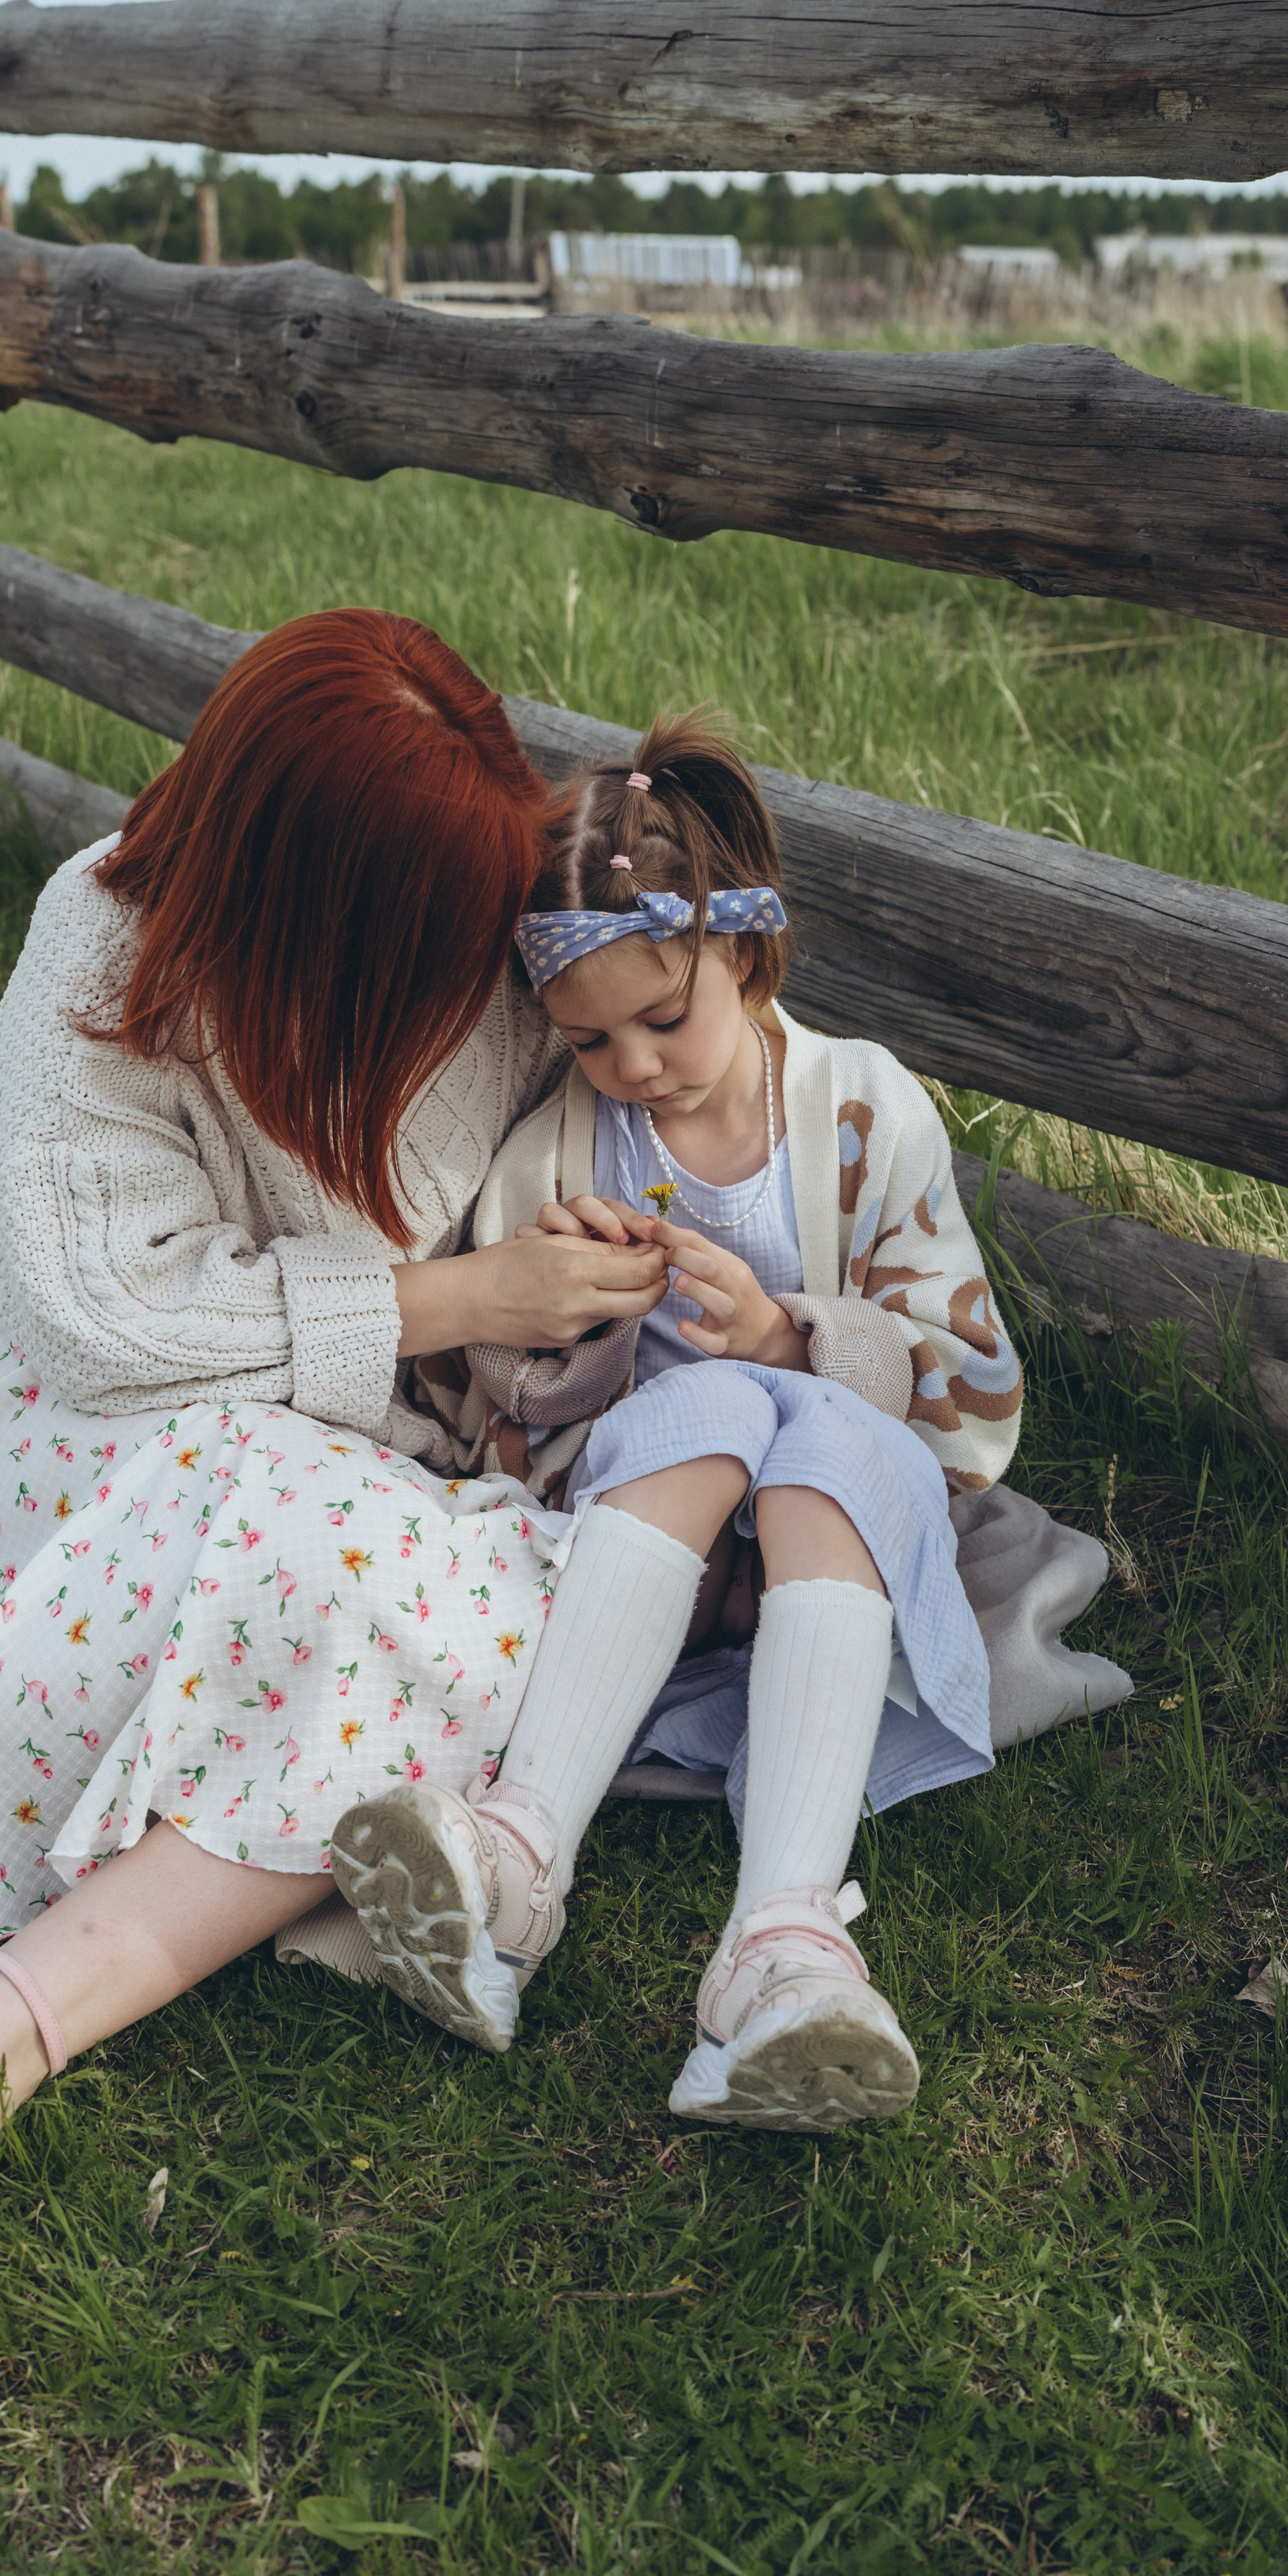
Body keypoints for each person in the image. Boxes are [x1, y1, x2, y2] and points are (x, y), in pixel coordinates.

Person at [0, 609, 676, 2337]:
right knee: (291, 1567)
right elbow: (103, 1324)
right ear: (312, 898)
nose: (476, 960)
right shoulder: (99, 942)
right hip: (59, 1424)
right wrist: (455, 1297)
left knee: (489, 1617)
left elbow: (660, 1072)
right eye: (428, 926)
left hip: (327, 1448)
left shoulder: (484, 924)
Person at [328, 712, 1032, 2130]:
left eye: (664, 1020)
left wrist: (790, 1336)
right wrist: (579, 1321)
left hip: (828, 1537)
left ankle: (782, 1946)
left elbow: (967, 1382)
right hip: (664, 1537)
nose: (634, 1067)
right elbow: (498, 1414)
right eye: (587, 1040)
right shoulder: (562, 1150)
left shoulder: (862, 1111)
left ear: (747, 956)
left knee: (808, 1427)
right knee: (709, 1401)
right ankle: (518, 1863)